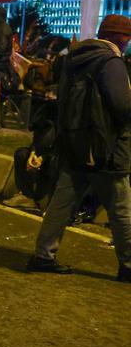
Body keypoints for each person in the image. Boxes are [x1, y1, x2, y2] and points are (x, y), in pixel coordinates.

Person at [28, 14, 131, 282]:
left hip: (75, 144)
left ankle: (43, 256)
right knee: (121, 209)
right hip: (106, 148)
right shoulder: (111, 62)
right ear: (117, 37)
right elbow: (122, 106)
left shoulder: (74, 59)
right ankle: (129, 265)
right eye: (127, 36)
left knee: (61, 204)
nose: (128, 41)